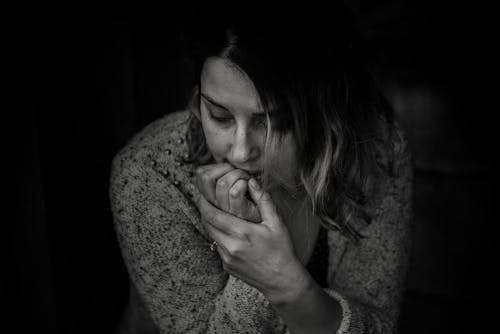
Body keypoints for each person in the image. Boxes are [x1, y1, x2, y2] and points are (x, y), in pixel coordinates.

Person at [109, 3, 413, 333]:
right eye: (220, 116)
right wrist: (254, 276)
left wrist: (286, 284)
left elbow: (378, 326)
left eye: (275, 123)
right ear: (197, 98)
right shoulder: (150, 172)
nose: (240, 151)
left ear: (327, 115)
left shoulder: (374, 151)